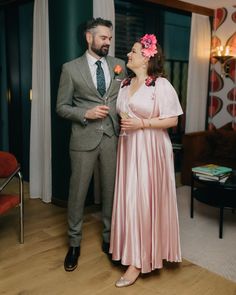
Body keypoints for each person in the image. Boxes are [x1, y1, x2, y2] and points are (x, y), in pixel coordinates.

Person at [109, 34, 183, 287]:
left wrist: (143, 123)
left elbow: (173, 120)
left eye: (134, 51)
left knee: (145, 200)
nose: (128, 54)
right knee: (130, 200)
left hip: (152, 148)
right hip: (128, 147)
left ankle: (138, 262)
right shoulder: (124, 84)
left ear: (147, 58)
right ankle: (131, 250)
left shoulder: (160, 85)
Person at [56, 17, 126, 272]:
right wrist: (85, 113)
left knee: (111, 192)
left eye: (110, 38)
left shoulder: (120, 66)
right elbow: (61, 108)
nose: (108, 42)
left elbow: (125, 99)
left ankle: (109, 241)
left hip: (111, 138)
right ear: (89, 37)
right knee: (77, 194)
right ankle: (74, 244)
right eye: (103, 38)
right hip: (83, 139)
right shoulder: (70, 68)